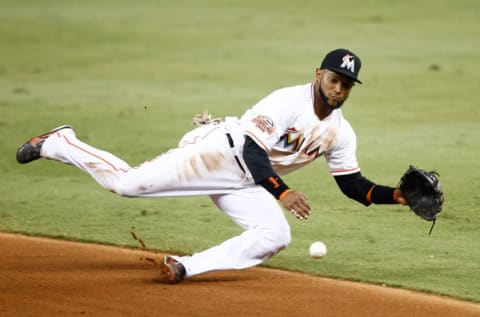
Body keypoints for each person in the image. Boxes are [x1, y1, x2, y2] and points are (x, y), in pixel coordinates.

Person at [16, 48, 407, 284]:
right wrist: (284, 192)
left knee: (274, 235)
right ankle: (61, 142)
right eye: (334, 79)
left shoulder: (341, 132)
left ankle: (185, 267)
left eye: (347, 85)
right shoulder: (287, 101)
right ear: (319, 74)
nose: (339, 89)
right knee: (126, 185)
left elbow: (354, 186)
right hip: (219, 152)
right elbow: (254, 152)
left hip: (249, 182)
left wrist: (400, 196)